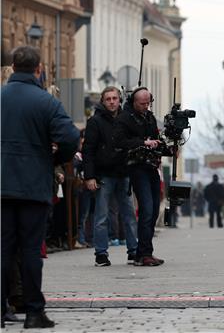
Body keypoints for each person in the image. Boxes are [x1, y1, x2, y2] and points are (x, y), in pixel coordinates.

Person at [1, 45, 80, 328]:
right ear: (38, 69)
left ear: (12, 68)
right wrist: (54, 159)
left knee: (4, 249)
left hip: (2, 186)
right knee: (31, 250)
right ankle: (34, 312)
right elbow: (70, 137)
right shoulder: (46, 102)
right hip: (34, 186)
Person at [83, 86, 139, 266]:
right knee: (101, 216)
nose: (112, 102)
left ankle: (133, 251)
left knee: (129, 215)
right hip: (104, 174)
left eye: (115, 98)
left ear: (119, 100)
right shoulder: (95, 122)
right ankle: (101, 253)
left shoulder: (127, 119)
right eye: (108, 99)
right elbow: (88, 151)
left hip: (124, 173)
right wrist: (89, 176)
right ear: (103, 101)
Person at [113, 87, 165, 267]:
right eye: (142, 104)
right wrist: (143, 143)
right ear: (133, 102)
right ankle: (143, 253)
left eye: (148, 103)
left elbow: (155, 137)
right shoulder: (124, 118)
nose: (145, 106)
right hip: (136, 167)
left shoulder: (149, 117)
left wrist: (162, 146)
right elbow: (119, 142)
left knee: (154, 209)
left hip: (151, 166)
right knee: (146, 209)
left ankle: (145, 251)